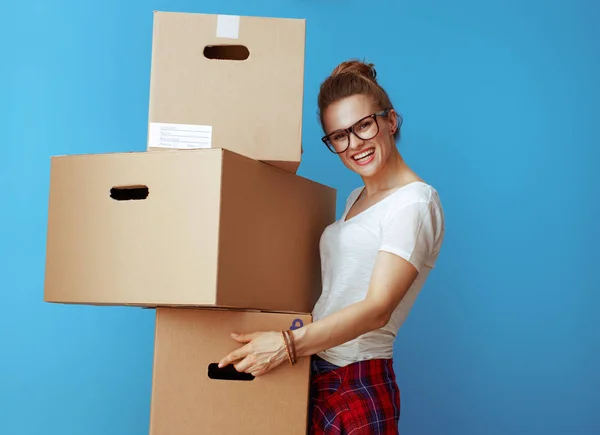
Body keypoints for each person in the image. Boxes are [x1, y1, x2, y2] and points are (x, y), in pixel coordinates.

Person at [218, 59, 445, 434]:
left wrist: (287, 344)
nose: (354, 144)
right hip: (318, 369)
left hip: (357, 378)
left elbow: (377, 310)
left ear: (390, 121)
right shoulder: (357, 196)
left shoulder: (415, 203)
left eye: (363, 125)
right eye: (340, 135)